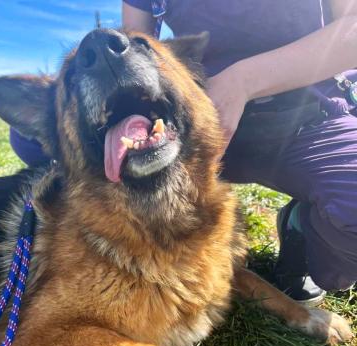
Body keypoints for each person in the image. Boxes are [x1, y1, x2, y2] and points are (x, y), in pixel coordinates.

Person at [120, 0, 357, 305]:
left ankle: (302, 233)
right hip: (200, 124)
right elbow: (136, 56)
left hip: (309, 115)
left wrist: (242, 81)